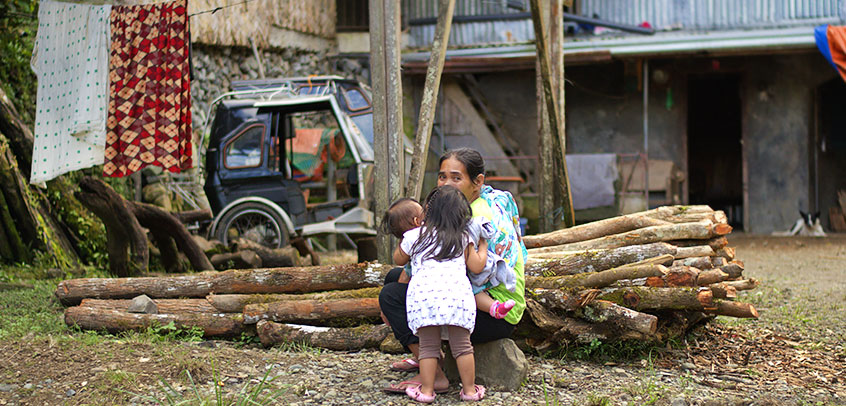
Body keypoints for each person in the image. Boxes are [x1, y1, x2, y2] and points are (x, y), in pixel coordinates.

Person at [380, 148, 527, 393]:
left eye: (456, 178)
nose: (447, 184)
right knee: (393, 279)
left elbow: (467, 270)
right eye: (442, 177)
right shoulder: (464, 209)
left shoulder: (473, 218)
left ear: (477, 182)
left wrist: (410, 273)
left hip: (493, 313)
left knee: (390, 296)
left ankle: (434, 372)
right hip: (474, 299)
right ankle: (427, 357)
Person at [381, 199, 517, 322]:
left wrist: (403, 241)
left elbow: (399, 263)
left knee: (397, 280)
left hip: (425, 293)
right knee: (474, 290)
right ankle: (494, 308)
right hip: (451, 290)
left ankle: (397, 318)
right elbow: (477, 266)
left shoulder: (412, 241)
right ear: (417, 221)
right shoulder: (446, 235)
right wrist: (483, 246)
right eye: (424, 212)